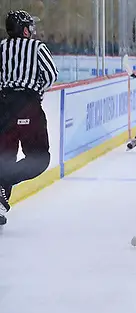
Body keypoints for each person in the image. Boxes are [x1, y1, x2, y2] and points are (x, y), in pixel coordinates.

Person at [0, 10, 59, 225]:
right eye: (29, 27)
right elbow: (52, 75)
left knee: (4, 158)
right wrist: (36, 92)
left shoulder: (1, 47)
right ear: (24, 29)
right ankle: (2, 185)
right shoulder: (37, 47)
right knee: (39, 159)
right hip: (28, 107)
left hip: (4, 107)